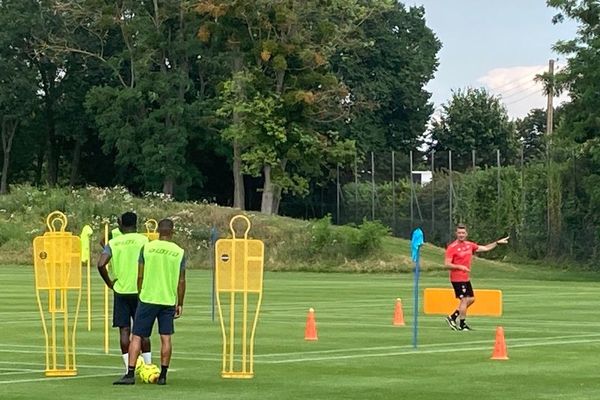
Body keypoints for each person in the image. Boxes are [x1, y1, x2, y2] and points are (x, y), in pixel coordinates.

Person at [114, 219, 186, 386]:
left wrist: (140, 292)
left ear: (158, 231)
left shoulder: (147, 247)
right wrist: (180, 302)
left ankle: (130, 373)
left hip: (147, 298)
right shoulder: (179, 252)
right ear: (172, 231)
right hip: (167, 299)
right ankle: (163, 375)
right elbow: (181, 281)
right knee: (165, 338)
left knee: (137, 335)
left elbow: (140, 275)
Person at [97, 212, 152, 371]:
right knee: (143, 330)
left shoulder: (114, 242)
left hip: (121, 290)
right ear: (136, 224)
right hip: (141, 290)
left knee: (124, 329)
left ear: (120, 223)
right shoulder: (144, 240)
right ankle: (147, 366)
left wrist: (109, 283)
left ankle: (129, 369)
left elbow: (101, 264)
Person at [444, 224, 509, 331]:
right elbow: (447, 264)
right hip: (457, 278)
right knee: (464, 300)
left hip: (465, 278)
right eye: (459, 233)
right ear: (456, 234)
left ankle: (452, 317)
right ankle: (462, 324)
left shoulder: (469, 245)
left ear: (466, 234)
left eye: (463, 233)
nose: (461, 235)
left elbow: (485, 248)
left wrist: (497, 243)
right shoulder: (452, 247)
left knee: (471, 299)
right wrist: (460, 266)